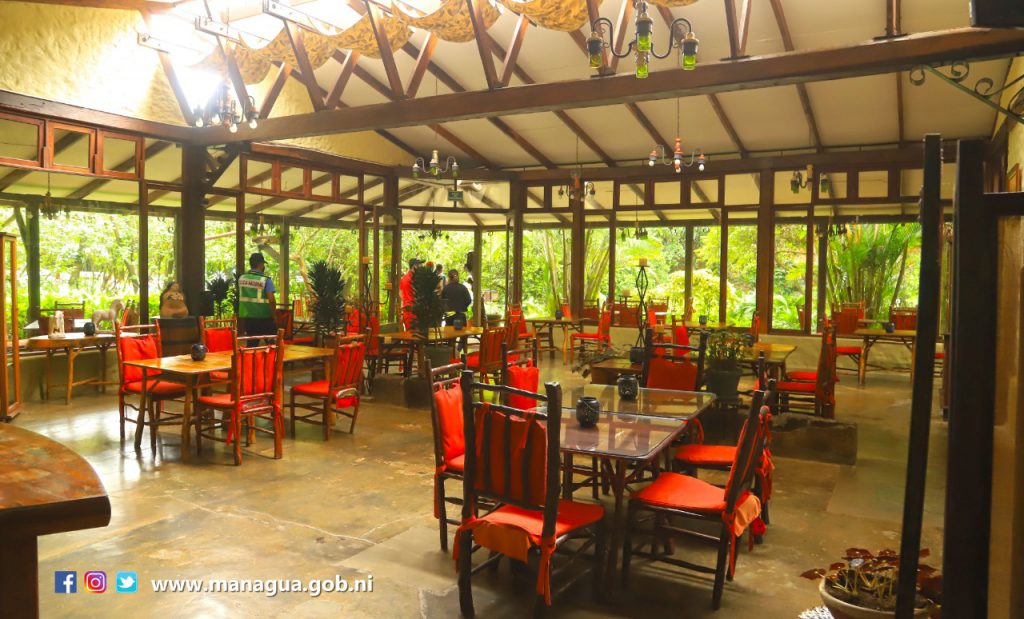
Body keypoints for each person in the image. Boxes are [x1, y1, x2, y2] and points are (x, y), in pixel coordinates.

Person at [237, 252, 277, 338]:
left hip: (248, 319)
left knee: (252, 343)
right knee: (272, 343)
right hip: (265, 318)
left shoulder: (242, 278)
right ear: (260, 264)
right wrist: (274, 315)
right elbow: (271, 300)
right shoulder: (266, 280)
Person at [399, 258, 422, 331]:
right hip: (414, 312)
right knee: (416, 335)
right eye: (419, 265)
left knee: (409, 335)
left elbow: (400, 294)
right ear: (415, 266)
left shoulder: (403, 278)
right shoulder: (415, 279)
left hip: (407, 311)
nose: (421, 268)